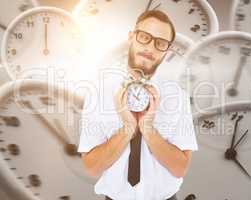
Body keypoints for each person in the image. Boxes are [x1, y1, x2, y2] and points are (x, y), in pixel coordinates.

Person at [77, 10, 198, 200]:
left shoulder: (177, 96)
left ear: (166, 51)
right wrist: (127, 128)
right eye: (144, 37)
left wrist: (148, 129)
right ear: (131, 37)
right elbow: (92, 167)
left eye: (160, 43)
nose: (150, 47)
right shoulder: (98, 92)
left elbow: (180, 168)